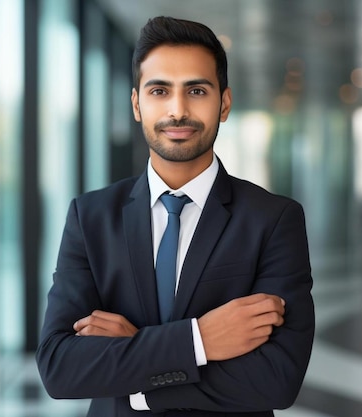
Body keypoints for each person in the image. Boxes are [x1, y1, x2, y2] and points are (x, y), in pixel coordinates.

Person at [36, 16, 315, 417]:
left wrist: (138, 379)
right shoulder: (91, 217)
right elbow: (60, 367)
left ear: (224, 103)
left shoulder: (273, 220)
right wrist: (199, 339)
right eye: (159, 90)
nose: (178, 110)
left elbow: (276, 379)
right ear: (137, 104)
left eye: (196, 90)